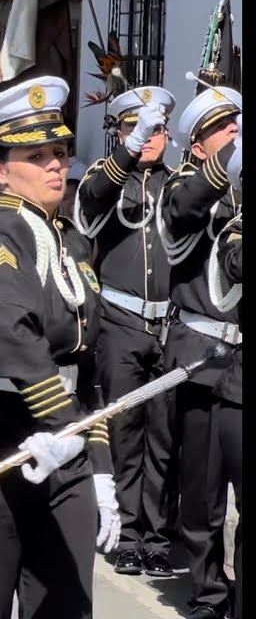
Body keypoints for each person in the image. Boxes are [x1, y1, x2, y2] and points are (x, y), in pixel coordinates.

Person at [0, 77, 114, 619]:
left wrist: (98, 465)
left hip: (64, 451)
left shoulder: (72, 241)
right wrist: (62, 428)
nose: (56, 164)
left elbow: (87, 367)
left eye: (59, 151)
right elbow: (15, 335)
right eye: (36, 155)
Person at [74, 86, 179, 577]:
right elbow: (91, 201)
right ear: (119, 131)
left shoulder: (178, 183)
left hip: (168, 324)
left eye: (156, 129)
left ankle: (159, 536)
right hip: (119, 322)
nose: (151, 138)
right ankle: (128, 533)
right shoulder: (107, 179)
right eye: (139, 129)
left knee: (163, 435)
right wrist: (128, 151)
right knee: (124, 431)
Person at [159, 86, 242, 619]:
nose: (235, 132)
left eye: (238, 124)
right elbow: (187, 212)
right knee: (204, 495)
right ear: (197, 145)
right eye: (224, 128)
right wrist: (228, 166)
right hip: (203, 360)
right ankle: (210, 592)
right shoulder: (180, 187)